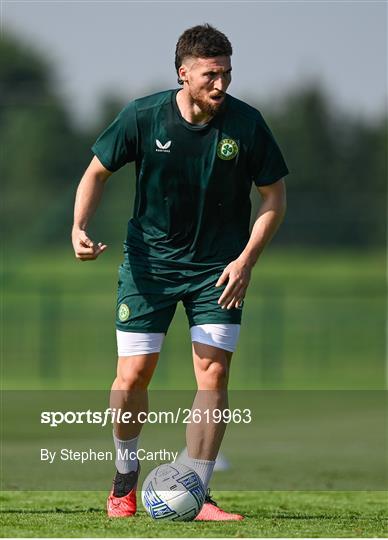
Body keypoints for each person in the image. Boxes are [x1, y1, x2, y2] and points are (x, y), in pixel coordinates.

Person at [72, 23, 288, 521]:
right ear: (183, 74)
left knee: (213, 374)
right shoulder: (143, 116)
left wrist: (246, 259)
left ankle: (199, 491)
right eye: (211, 75)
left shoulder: (247, 125)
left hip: (219, 270)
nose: (221, 85)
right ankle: (125, 479)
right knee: (131, 378)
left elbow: (274, 196)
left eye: (227, 74)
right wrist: (79, 226)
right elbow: (95, 172)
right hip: (149, 266)